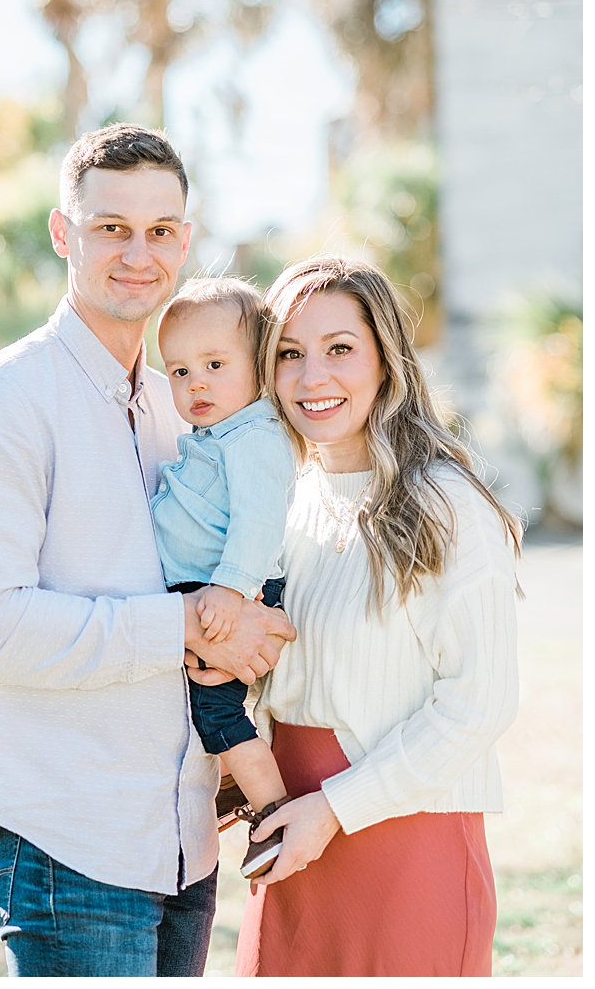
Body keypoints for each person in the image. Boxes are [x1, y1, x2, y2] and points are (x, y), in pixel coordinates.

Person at [0, 123, 295, 977]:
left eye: (160, 230)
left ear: (185, 241)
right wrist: (184, 626)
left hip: (185, 843)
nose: (138, 253)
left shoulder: (183, 408)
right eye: (111, 227)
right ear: (63, 234)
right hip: (66, 847)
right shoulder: (0, 406)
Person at [203, 255, 521, 976]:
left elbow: (481, 701)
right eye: (289, 354)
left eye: (340, 349)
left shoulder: (446, 504)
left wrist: (338, 808)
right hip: (286, 833)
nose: (313, 377)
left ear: (386, 360)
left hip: (407, 844)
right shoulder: (279, 505)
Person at [151, 276, 297, 879]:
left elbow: (260, 521)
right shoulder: (219, 435)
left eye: (215, 364)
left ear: (259, 366)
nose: (196, 383)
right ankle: (235, 785)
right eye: (179, 372)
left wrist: (232, 591)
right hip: (209, 588)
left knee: (218, 712)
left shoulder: (254, 437)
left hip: (229, 589)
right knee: (201, 700)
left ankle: (273, 812)